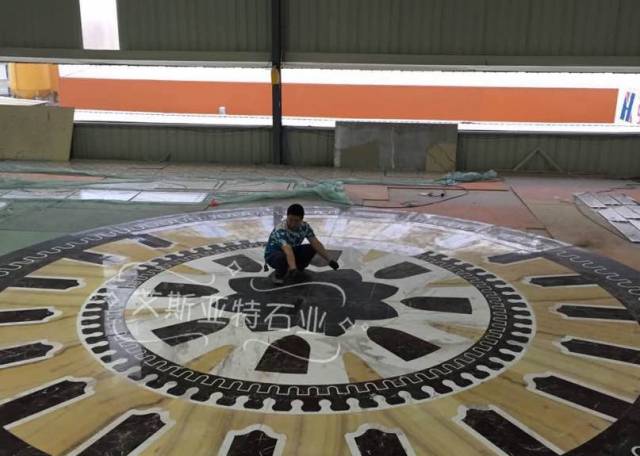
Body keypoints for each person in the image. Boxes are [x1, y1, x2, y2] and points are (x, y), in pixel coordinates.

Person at [265, 204, 339, 285]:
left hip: (291, 251)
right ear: (287, 217)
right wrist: (293, 269)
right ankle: (279, 275)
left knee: (311, 248)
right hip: (274, 254)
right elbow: (287, 249)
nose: (293, 224)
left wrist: (330, 260)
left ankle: (298, 269)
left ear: (301, 220)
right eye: (290, 220)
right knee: (281, 258)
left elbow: (316, 243)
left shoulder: (305, 227)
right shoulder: (280, 229)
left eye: (296, 221)